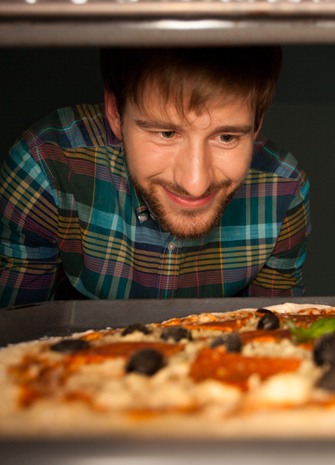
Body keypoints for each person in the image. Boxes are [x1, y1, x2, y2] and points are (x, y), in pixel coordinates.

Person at [0, 46, 311, 307]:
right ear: (115, 113)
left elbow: (273, 343)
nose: (195, 183)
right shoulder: (46, 165)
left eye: (227, 137)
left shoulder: (284, 191)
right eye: (166, 133)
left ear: (256, 127)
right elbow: (16, 337)